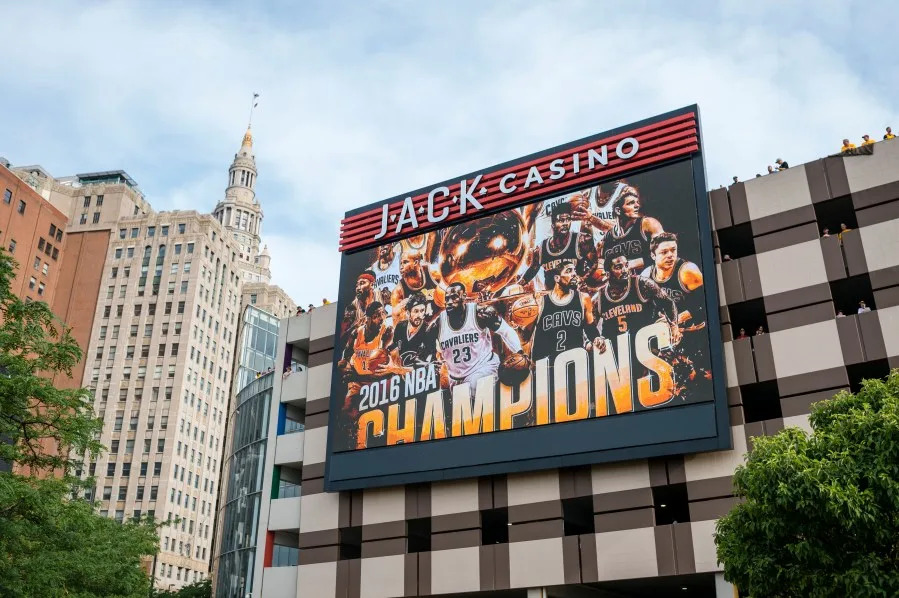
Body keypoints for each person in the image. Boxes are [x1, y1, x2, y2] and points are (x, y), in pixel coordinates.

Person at [437, 282, 524, 390]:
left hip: (483, 368)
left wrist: (520, 352)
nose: (449, 302)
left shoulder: (480, 312)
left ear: (464, 297)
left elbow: (506, 331)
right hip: (455, 378)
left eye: (454, 297)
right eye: (447, 299)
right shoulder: (439, 323)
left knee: (473, 388)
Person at [531, 261, 602, 363]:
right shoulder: (540, 302)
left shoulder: (584, 298)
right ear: (557, 278)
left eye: (574, 271)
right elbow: (532, 337)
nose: (574, 274)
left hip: (576, 361)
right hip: (548, 364)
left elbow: (590, 327)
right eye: (569, 271)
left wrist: (596, 338)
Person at [518, 201, 598, 290]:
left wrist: (583, 279)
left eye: (568, 219)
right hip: (552, 297)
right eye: (560, 220)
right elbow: (532, 270)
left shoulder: (582, 240)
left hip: (575, 295)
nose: (565, 223)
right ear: (552, 225)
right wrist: (519, 285)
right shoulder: (541, 249)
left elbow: (594, 263)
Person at [596, 182, 664, 274]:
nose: (637, 206)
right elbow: (602, 267)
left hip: (648, 280)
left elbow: (664, 252)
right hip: (622, 285)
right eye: (631, 203)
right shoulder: (608, 237)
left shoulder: (648, 224)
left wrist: (629, 264)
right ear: (618, 210)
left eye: (637, 203)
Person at [379, 292, 439, 374]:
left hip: (423, 379)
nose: (419, 315)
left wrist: (395, 369)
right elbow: (396, 344)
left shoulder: (428, 331)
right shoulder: (400, 326)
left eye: (422, 311)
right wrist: (384, 350)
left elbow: (422, 367)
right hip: (405, 378)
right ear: (408, 313)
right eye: (416, 311)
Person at [391, 250, 444, 322]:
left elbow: (453, 284)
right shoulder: (399, 290)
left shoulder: (433, 272)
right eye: (401, 263)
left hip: (441, 319)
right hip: (420, 328)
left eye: (405, 262)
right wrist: (403, 308)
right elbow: (395, 318)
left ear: (415, 262)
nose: (401, 267)